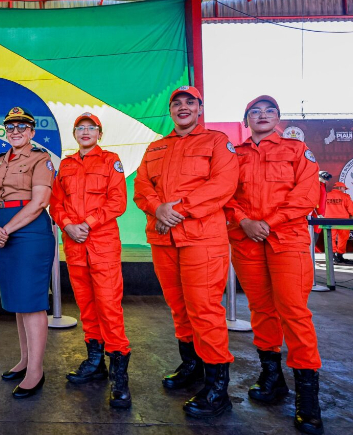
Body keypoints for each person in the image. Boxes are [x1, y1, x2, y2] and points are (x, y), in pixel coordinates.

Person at [133, 86, 238, 418]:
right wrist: (157, 208)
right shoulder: (156, 146)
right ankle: (192, 366)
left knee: (204, 309)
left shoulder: (217, 142)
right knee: (179, 307)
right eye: (176, 103)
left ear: (199, 108)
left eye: (189, 102)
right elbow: (141, 186)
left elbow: (223, 184)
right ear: (170, 111)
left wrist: (178, 209)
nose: (183, 107)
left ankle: (218, 387)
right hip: (164, 238)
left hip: (202, 238)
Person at [224, 95, 323, 435]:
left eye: (270, 111)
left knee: (293, 311)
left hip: (287, 239)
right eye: (255, 111)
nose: (262, 115)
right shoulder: (234, 154)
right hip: (246, 239)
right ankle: (272, 377)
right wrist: (244, 221)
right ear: (246, 120)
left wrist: (269, 222)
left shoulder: (297, 150)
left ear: (278, 118)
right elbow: (226, 194)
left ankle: (308, 398)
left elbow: (306, 194)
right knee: (261, 309)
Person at [49, 112, 131, 408]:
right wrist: (68, 224)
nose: (85, 132)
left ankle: (120, 377)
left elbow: (118, 201)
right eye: (80, 128)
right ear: (74, 134)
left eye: (91, 128)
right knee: (86, 306)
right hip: (74, 246)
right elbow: (56, 202)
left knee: (109, 307)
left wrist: (88, 223)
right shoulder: (66, 165)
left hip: (102, 245)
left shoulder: (111, 161)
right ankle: (95, 362)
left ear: (99, 133)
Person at [0, 106, 54, 399]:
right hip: (2, 232)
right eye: (11, 127)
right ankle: (25, 360)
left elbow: (39, 202)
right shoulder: (0, 160)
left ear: (32, 131)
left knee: (32, 301)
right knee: (18, 299)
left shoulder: (41, 159)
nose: (16, 132)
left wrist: (6, 229)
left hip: (29, 232)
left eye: (22, 127)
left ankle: (36, 370)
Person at [325, 181, 353, 264]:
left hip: (328, 219)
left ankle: (332, 255)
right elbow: (351, 208)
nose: (344, 190)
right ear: (340, 188)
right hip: (343, 220)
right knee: (343, 238)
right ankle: (340, 255)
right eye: (344, 188)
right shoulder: (345, 196)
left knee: (330, 237)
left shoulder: (326, 195)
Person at [312, 171, 332, 249]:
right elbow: (313, 200)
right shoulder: (316, 186)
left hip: (320, 215)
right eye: (323, 178)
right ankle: (309, 253)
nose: (325, 180)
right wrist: (317, 213)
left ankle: (310, 253)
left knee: (316, 233)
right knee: (313, 234)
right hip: (315, 215)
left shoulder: (322, 186)